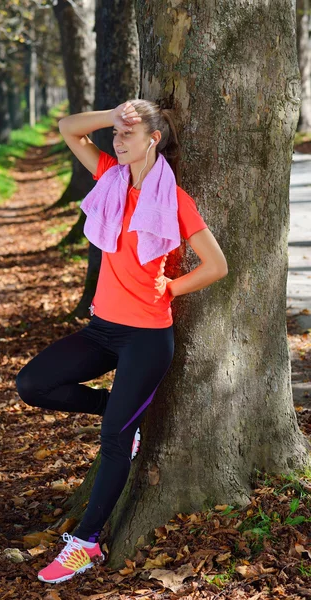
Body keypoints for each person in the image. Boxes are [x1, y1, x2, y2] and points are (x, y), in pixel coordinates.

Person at [15, 99, 228, 585]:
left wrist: (171, 288)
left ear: (153, 139)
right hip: (102, 329)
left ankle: (85, 543)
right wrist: (113, 114)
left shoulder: (175, 200)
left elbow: (216, 266)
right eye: (116, 134)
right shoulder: (110, 176)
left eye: (129, 134)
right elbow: (70, 129)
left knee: (113, 442)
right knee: (33, 383)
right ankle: (118, 410)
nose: (118, 141)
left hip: (147, 338)